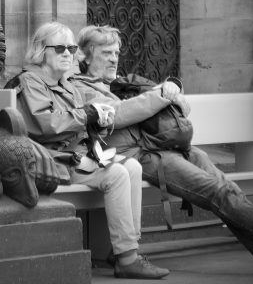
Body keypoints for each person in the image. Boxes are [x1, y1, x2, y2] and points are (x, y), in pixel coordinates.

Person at [75, 24, 253, 276]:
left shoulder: (123, 82)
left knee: (223, 185)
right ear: (84, 56)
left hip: (165, 147)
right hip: (138, 157)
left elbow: (182, 109)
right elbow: (122, 114)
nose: (114, 58)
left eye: (116, 53)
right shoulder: (79, 88)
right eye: (106, 53)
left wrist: (172, 91)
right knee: (214, 190)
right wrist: (163, 92)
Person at [11, 21, 170, 279]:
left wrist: (100, 122)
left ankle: (126, 247)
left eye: (71, 49)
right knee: (117, 174)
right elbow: (45, 124)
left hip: (77, 156)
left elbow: (82, 126)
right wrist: (86, 114)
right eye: (60, 48)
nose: (68, 54)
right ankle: (127, 258)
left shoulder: (65, 83)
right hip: (51, 160)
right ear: (41, 50)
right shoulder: (31, 81)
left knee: (132, 166)